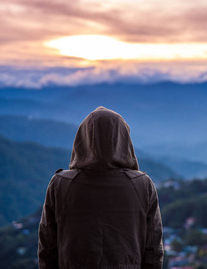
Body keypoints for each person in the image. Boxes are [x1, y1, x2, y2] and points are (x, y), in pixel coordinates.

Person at [38, 106, 164, 269]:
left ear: (82, 139)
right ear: (123, 139)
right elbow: (153, 249)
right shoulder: (142, 184)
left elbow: (47, 247)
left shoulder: (61, 184)